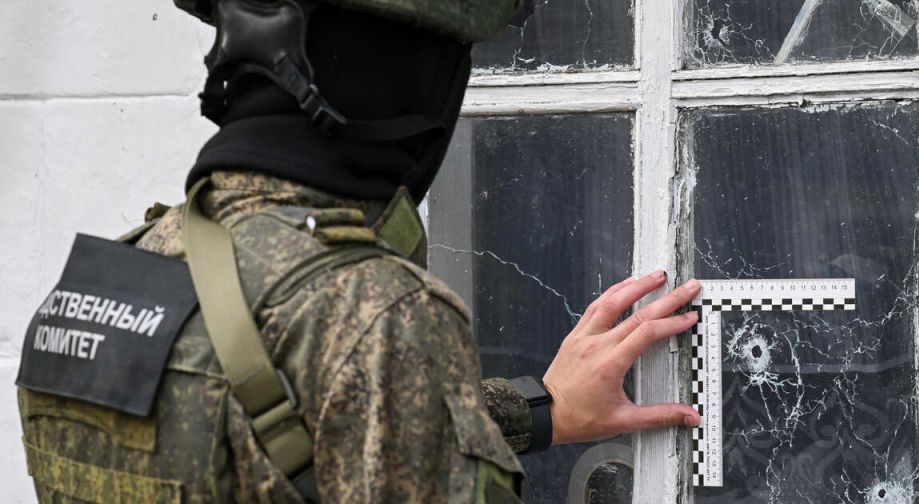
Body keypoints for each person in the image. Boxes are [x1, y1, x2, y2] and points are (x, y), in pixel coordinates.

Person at [15, 1, 701, 502]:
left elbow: (282, 431)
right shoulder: (378, 312)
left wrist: (541, 406)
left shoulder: (104, 283)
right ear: (415, 83)